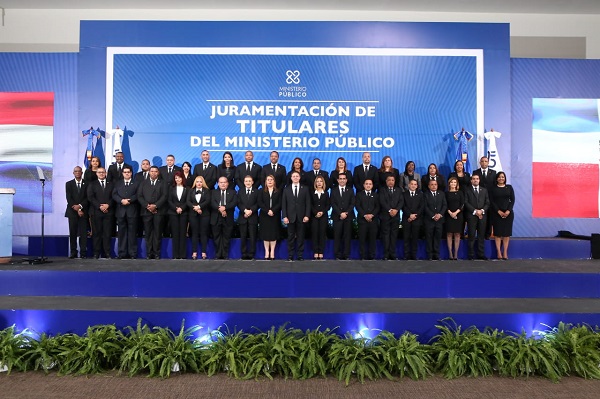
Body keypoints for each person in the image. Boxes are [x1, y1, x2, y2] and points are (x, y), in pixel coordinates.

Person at [137, 166, 167, 259]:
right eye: (152, 171)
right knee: (148, 234)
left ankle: (157, 253)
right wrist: (147, 206)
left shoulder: (163, 183)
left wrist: (155, 206)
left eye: (155, 171)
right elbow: (139, 196)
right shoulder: (143, 183)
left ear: (158, 173)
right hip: (146, 212)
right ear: (149, 172)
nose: (153, 173)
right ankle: (149, 253)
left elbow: (165, 196)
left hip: (159, 211)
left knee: (157, 234)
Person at [282, 171, 311, 261]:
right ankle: (290, 255)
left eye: (297, 176)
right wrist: (284, 216)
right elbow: (284, 204)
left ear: (299, 178)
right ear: (291, 178)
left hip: (302, 217)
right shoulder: (286, 189)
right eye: (293, 176)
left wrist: (307, 215)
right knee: (290, 237)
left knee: (301, 237)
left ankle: (300, 255)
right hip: (290, 217)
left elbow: (308, 203)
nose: (295, 177)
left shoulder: (305, 189)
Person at [112, 166, 140, 259]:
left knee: (132, 233)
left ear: (131, 173)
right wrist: (121, 200)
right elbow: (114, 194)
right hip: (121, 211)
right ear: (122, 173)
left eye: (128, 172)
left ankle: (132, 253)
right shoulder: (118, 183)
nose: (127, 173)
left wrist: (130, 200)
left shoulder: (136, 183)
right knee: (121, 233)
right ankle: (122, 253)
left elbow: (138, 194)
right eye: (125, 172)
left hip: (132, 211)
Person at [87, 167, 114, 259]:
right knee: (97, 234)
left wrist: (108, 205)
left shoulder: (111, 184)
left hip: (108, 212)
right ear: (96, 174)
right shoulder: (92, 184)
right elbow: (90, 197)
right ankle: (96, 253)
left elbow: (113, 196)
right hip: (96, 212)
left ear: (105, 173)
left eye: (103, 172)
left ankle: (107, 253)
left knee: (107, 234)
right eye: (99, 172)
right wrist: (100, 206)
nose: (101, 174)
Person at [210, 176, 238, 259]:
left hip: (228, 217)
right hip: (216, 217)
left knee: (226, 237)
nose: (223, 184)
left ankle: (225, 254)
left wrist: (225, 208)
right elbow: (212, 202)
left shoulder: (233, 192)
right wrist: (220, 209)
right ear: (218, 183)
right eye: (221, 182)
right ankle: (218, 254)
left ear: (227, 183)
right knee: (216, 237)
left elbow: (234, 202)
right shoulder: (213, 192)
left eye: (224, 182)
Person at [464, 174, 490, 260]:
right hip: (472, 216)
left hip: (482, 216)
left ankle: (481, 254)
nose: (475, 180)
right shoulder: (467, 190)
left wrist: (482, 211)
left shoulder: (484, 190)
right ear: (471, 180)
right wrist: (475, 211)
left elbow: (487, 203)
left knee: (481, 236)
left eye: (477, 179)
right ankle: (471, 255)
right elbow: (466, 202)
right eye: (474, 179)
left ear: (479, 180)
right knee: (471, 236)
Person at [490, 172, 515, 260]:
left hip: (508, 213)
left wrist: (508, 210)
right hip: (496, 214)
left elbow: (512, 200)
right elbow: (492, 201)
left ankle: (505, 252)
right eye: (499, 177)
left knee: (506, 234)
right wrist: (498, 211)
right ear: (496, 179)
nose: (501, 178)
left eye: (503, 177)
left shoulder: (509, 187)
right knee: (497, 234)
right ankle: (499, 252)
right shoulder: (493, 189)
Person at [65, 166, 88, 259]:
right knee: (73, 233)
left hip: (84, 212)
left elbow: (88, 198)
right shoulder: (69, 184)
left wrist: (81, 207)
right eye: (76, 171)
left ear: (82, 173)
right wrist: (78, 209)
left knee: (83, 233)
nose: (77, 172)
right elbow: (69, 198)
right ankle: (73, 252)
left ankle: (83, 253)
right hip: (72, 211)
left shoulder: (87, 183)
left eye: (79, 171)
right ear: (73, 173)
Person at [330, 172, 355, 260]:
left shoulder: (350, 190)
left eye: (344, 179)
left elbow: (352, 203)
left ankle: (346, 255)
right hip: (337, 217)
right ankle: (337, 255)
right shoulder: (333, 190)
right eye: (340, 179)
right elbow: (332, 203)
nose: (342, 180)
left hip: (348, 217)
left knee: (347, 236)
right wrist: (340, 213)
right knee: (337, 236)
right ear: (337, 180)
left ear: (346, 180)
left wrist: (346, 213)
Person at [379, 175, 403, 260]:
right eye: (389, 180)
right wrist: (389, 210)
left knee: (394, 236)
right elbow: (382, 201)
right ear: (386, 181)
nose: (391, 182)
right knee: (386, 236)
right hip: (385, 216)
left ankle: (392, 254)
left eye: (392, 180)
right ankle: (386, 254)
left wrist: (396, 210)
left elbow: (401, 201)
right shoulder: (382, 190)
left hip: (395, 216)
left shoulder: (398, 190)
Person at [472, 156, 497, 238]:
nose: (484, 163)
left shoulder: (493, 173)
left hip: (489, 200)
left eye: (486, 161)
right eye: (482, 161)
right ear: (480, 162)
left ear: (488, 162)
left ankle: (487, 235)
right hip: (478, 199)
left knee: (489, 218)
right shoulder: (475, 172)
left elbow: (494, 186)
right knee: (478, 219)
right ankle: (478, 235)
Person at [187, 175, 211, 260]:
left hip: (205, 215)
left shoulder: (207, 191)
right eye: (197, 182)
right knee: (194, 233)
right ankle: (194, 252)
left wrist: (199, 207)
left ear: (203, 182)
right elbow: (188, 201)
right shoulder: (191, 191)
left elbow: (207, 201)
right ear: (195, 183)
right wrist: (195, 208)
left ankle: (204, 252)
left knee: (203, 233)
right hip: (193, 215)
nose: (199, 183)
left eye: (201, 182)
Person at [258, 174, 281, 260]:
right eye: (268, 180)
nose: (270, 181)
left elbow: (279, 203)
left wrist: (273, 211)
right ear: (265, 181)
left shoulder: (278, 191)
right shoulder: (261, 191)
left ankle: (272, 252)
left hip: (275, 215)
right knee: (266, 234)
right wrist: (267, 210)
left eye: (271, 179)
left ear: (274, 181)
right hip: (264, 215)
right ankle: (267, 252)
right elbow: (260, 202)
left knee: (273, 234)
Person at [356, 179, 380, 260]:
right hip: (362, 220)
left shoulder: (376, 195)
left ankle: (372, 256)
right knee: (362, 239)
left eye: (370, 184)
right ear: (364, 185)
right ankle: (362, 256)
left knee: (372, 239)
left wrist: (372, 215)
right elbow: (358, 206)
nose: (368, 185)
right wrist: (365, 215)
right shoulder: (359, 195)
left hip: (373, 221)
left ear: (372, 186)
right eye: (366, 184)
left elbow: (378, 207)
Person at [167, 171, 189, 259]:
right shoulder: (171, 188)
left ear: (182, 178)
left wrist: (182, 208)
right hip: (173, 213)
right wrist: (176, 208)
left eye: (179, 178)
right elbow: (169, 200)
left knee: (183, 234)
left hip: (184, 213)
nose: (178, 179)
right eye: (176, 178)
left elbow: (188, 201)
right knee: (175, 234)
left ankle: (182, 255)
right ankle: (175, 255)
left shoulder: (187, 188)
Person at [423, 179, 447, 260]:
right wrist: (433, 215)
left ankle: (436, 254)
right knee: (429, 238)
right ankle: (429, 255)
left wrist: (440, 214)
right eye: (432, 184)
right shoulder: (425, 195)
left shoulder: (442, 194)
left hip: (439, 220)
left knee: (437, 237)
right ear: (429, 186)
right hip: (429, 220)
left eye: (435, 184)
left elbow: (444, 205)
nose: (434, 186)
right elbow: (425, 207)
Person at [237, 175, 259, 260]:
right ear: (244, 182)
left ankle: (252, 254)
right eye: (246, 181)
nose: (248, 183)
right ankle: (244, 253)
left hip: (253, 217)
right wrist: (245, 211)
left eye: (249, 181)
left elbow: (258, 203)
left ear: (252, 182)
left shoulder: (256, 191)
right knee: (243, 237)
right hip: (243, 217)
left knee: (253, 237)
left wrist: (251, 211)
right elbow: (238, 203)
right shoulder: (240, 191)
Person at [402, 179, 424, 260]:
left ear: (417, 186)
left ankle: (414, 255)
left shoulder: (420, 194)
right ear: (408, 185)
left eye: (415, 184)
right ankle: (406, 255)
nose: (413, 185)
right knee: (406, 238)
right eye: (412, 184)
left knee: (415, 238)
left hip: (416, 219)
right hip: (406, 219)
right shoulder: (404, 194)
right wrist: (409, 215)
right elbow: (403, 206)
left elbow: (421, 207)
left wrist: (415, 216)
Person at [310, 175, 330, 260]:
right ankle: (315, 252)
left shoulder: (326, 193)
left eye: (320, 181)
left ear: (323, 183)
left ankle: (321, 252)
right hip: (314, 217)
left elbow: (328, 205)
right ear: (315, 183)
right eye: (317, 181)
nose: (319, 183)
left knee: (322, 234)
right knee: (315, 234)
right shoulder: (312, 193)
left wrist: (322, 212)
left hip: (323, 216)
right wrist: (315, 212)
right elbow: (310, 204)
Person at [445, 176, 465, 260]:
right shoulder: (446, 193)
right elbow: (444, 204)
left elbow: (462, 204)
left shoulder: (460, 193)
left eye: (454, 182)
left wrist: (456, 212)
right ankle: (450, 253)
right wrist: (450, 212)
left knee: (457, 234)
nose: (453, 184)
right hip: (448, 215)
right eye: (451, 182)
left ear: (457, 184)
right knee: (449, 234)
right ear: (449, 184)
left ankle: (456, 253)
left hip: (458, 215)